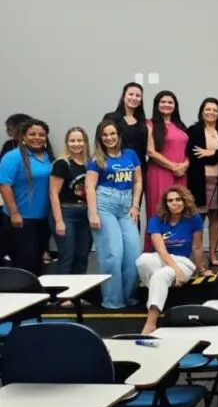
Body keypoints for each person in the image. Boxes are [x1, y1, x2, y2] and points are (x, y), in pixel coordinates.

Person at [136, 186, 210, 334]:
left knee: (160, 275)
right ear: (166, 204)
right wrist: (175, 270)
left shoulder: (194, 219)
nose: (175, 203)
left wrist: (201, 269)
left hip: (184, 262)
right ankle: (159, 294)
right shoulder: (155, 221)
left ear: (185, 201)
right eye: (170, 201)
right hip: (163, 259)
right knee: (142, 260)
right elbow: (161, 251)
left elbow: (197, 247)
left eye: (178, 199)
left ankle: (151, 322)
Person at [86, 119, 143, 310]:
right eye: (105, 135)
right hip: (104, 205)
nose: (109, 138)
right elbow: (90, 187)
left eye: (112, 134)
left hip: (126, 205)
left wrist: (135, 206)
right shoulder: (97, 158)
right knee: (113, 254)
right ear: (100, 138)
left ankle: (129, 297)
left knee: (134, 253)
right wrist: (93, 214)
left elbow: (138, 182)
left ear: (119, 135)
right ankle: (113, 301)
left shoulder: (131, 154)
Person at [0, 118, 53, 276]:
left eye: (41, 135)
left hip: (43, 219)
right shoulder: (13, 157)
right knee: (25, 263)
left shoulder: (48, 157)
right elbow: (4, 185)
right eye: (32, 134)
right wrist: (14, 213)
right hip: (21, 220)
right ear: (23, 136)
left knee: (37, 260)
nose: (37, 138)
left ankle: (39, 299)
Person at [186, 97, 218, 267]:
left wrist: (211, 154)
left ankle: (213, 253)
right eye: (207, 109)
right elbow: (193, 154)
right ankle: (197, 255)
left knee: (216, 215)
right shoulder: (193, 130)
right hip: (199, 180)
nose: (211, 112)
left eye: (215, 110)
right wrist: (216, 156)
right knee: (198, 217)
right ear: (202, 112)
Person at [145, 90, 189, 249]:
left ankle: (179, 250)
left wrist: (185, 165)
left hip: (181, 174)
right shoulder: (150, 124)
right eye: (162, 102)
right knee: (160, 210)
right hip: (159, 174)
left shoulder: (181, 126)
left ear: (175, 106)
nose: (166, 105)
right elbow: (150, 151)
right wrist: (172, 166)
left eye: (170, 102)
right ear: (157, 105)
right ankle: (156, 251)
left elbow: (188, 151)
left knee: (180, 211)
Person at [49, 127, 93, 285]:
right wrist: (59, 221)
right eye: (72, 140)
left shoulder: (91, 164)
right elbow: (53, 193)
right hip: (66, 213)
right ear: (67, 143)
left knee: (82, 255)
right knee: (68, 255)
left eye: (80, 140)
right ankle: (62, 295)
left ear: (85, 142)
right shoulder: (62, 164)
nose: (76, 144)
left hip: (85, 215)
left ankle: (77, 294)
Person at [102, 83, 148, 176]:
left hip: (138, 169)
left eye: (138, 96)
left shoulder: (142, 122)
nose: (134, 98)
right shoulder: (110, 118)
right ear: (123, 96)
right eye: (131, 94)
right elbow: (103, 141)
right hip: (115, 168)